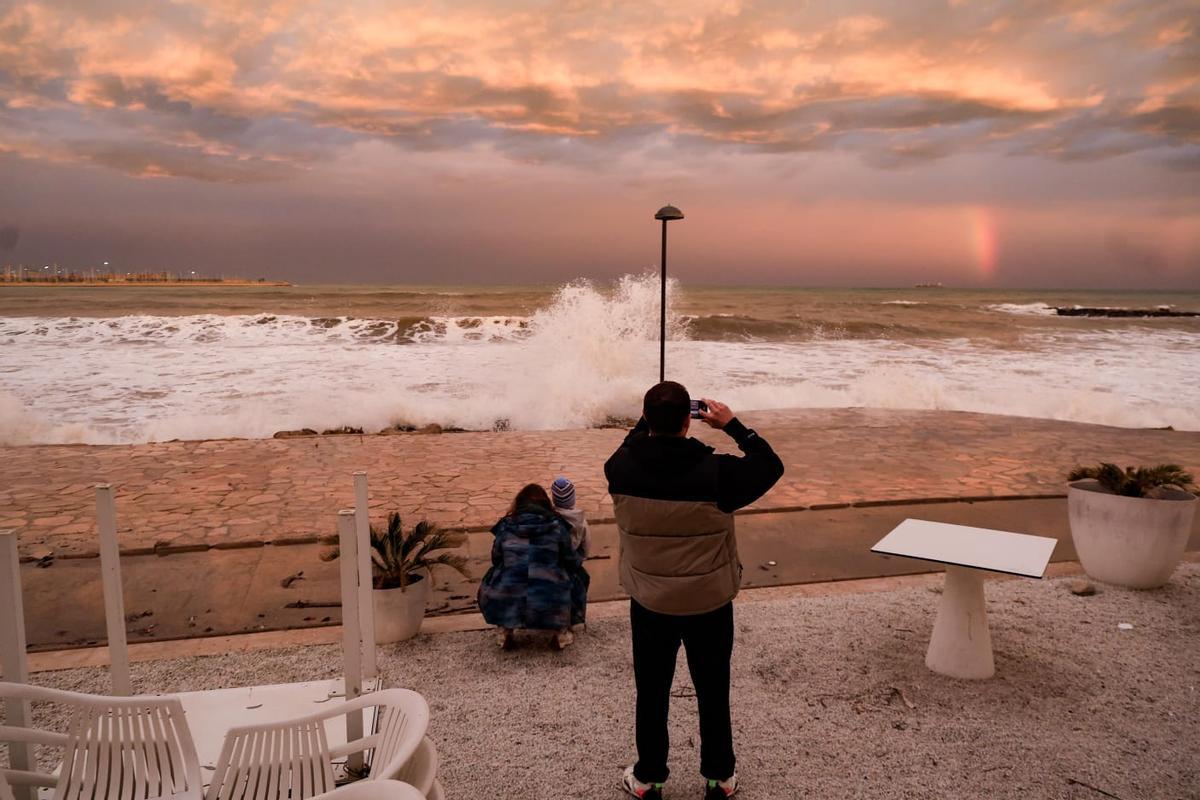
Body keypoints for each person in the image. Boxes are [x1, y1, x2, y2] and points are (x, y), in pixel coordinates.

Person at [605, 382, 784, 800]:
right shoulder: (719, 474)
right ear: (690, 420)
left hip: (650, 602)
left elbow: (632, 444)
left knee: (651, 691)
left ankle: (649, 778)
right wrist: (733, 425)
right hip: (708, 601)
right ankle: (719, 778)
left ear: (647, 421)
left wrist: (651, 419)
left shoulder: (620, 469)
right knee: (712, 688)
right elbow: (770, 464)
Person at [477, 483, 585, 650]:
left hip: (508, 592)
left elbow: (496, 558)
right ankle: (561, 631)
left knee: (495, 574)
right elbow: (571, 560)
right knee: (578, 576)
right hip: (550, 595)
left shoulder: (506, 526)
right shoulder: (557, 526)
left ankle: (505, 629)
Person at [551, 476, 592, 627]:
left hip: (548, 562)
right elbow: (586, 549)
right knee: (583, 579)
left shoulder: (548, 516)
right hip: (569, 565)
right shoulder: (580, 521)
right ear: (572, 499)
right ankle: (572, 619)